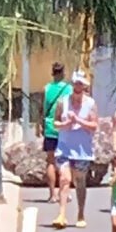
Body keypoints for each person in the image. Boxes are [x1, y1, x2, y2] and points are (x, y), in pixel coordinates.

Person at [52, 71, 98, 229]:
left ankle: (80, 213)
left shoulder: (90, 103)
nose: (78, 86)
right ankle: (62, 214)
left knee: (80, 182)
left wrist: (78, 120)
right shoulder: (62, 102)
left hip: (82, 150)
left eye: (81, 84)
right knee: (64, 179)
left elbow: (94, 126)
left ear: (84, 86)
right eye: (76, 83)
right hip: (64, 147)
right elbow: (55, 123)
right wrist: (65, 125)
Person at [39, 62, 72, 203]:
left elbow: (42, 109)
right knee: (65, 161)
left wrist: (40, 125)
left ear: (53, 73)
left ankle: (52, 194)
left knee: (50, 161)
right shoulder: (69, 89)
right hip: (65, 128)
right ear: (63, 73)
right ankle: (66, 192)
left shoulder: (46, 89)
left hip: (50, 128)